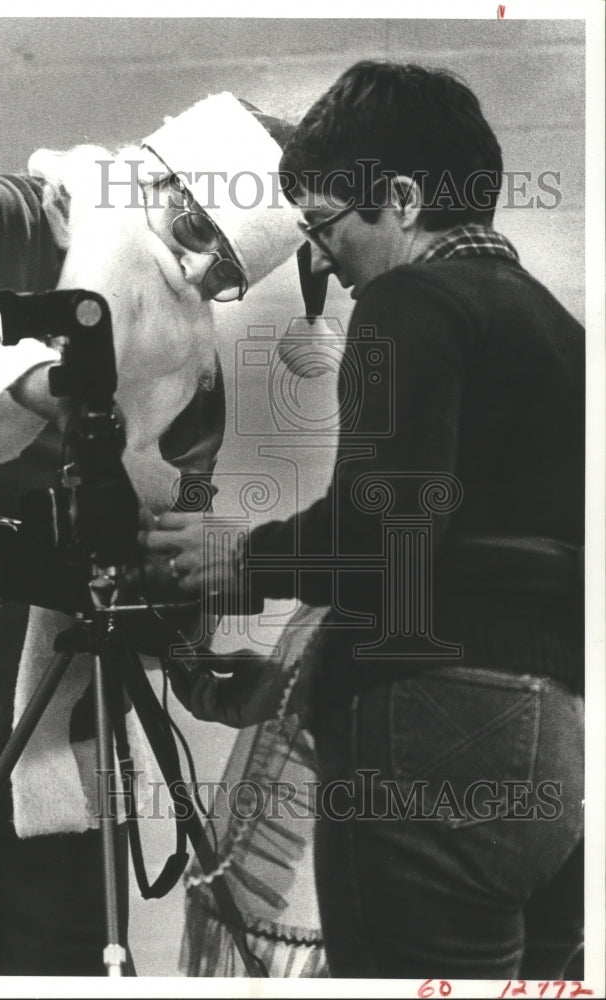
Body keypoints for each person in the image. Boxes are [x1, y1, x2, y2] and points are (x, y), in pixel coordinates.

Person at [0, 91, 305, 975]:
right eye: (192, 229)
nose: (195, 276)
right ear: (144, 174)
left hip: (64, 758)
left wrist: (197, 672)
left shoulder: (191, 382)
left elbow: (148, 559)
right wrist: (23, 383)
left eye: (226, 274)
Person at [142, 62, 585, 980]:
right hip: (551, 748)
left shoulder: (410, 302)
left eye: (323, 225)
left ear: (400, 199)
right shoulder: (557, 331)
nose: (323, 261)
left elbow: (383, 539)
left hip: (424, 729)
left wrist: (241, 556)